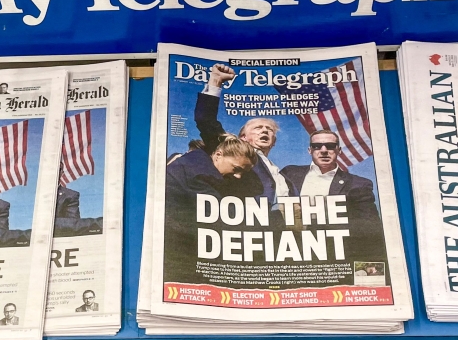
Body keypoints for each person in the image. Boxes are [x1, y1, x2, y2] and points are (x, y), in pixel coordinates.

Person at [279, 129, 387, 261]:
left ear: (339, 150)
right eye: (317, 146)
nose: (323, 150)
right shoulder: (290, 173)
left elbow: (370, 225)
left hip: (332, 254)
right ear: (310, 150)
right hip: (291, 251)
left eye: (330, 146)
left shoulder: (358, 184)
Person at [164, 136, 261, 283]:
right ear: (218, 155)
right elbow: (221, 216)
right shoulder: (202, 174)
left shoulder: (195, 160)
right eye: (236, 169)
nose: (238, 177)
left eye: (243, 173)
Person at [195, 63, 291, 204]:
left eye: (269, 129)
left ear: (274, 141)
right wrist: (215, 81)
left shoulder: (281, 172)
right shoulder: (232, 151)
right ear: (243, 137)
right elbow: (205, 119)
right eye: (258, 128)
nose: (264, 130)